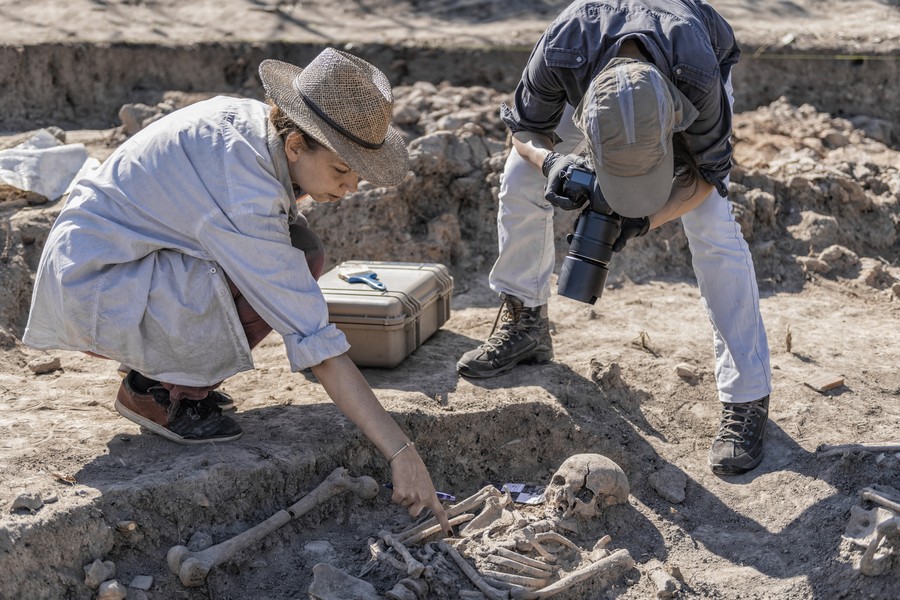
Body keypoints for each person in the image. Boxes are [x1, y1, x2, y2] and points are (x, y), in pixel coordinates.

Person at [24, 48, 453, 532]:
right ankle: (157, 393)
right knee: (281, 272)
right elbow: (315, 340)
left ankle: (172, 374)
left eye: (357, 173)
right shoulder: (243, 190)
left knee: (300, 251)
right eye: (340, 170)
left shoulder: (256, 128)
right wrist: (401, 451)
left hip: (117, 262)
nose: (351, 187)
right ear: (296, 144)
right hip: (95, 284)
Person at [456, 0, 773, 476]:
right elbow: (525, 129)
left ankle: (746, 395)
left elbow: (707, 176)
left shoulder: (698, 77)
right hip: (593, 74)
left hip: (680, 73)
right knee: (519, 178)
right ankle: (525, 323)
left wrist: (644, 220)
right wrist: (553, 163)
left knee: (713, 225)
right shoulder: (563, 48)